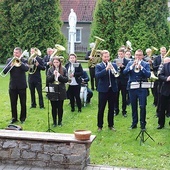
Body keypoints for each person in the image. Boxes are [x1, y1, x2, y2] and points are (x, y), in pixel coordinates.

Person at [123, 49, 151, 130]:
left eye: (139, 55)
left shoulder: (145, 64)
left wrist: (141, 68)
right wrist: (131, 67)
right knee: (133, 106)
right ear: (134, 55)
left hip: (142, 88)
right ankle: (134, 123)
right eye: (136, 55)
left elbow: (148, 74)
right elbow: (124, 72)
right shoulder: (130, 63)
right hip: (132, 88)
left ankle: (143, 125)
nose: (138, 57)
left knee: (142, 106)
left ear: (142, 56)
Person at [3, 47, 29, 124]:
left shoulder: (24, 60)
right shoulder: (9, 60)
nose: (15, 54)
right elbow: (4, 71)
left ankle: (23, 118)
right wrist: (10, 65)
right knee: (13, 103)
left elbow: (26, 69)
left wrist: (20, 62)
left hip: (22, 85)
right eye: (14, 52)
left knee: (23, 103)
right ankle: (14, 118)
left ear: (20, 53)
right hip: (13, 86)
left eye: (17, 53)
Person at [95, 50, 118, 131]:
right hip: (103, 90)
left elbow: (117, 75)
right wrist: (106, 69)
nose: (107, 58)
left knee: (111, 108)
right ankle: (100, 126)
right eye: (105, 57)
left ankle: (111, 125)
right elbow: (97, 75)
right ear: (102, 57)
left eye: (108, 56)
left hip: (112, 89)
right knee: (101, 108)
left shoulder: (114, 65)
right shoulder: (99, 66)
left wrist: (113, 70)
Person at [46, 57, 68, 127]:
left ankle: (60, 121)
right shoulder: (50, 69)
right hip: (53, 90)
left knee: (60, 107)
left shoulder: (63, 69)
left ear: (59, 63)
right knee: (53, 107)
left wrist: (59, 76)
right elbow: (48, 79)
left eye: (57, 62)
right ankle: (54, 121)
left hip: (61, 89)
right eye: (54, 62)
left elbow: (66, 79)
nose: (56, 64)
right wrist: (53, 75)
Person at [114, 48, 130, 117]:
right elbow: (113, 69)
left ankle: (124, 111)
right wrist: (117, 67)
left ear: (124, 54)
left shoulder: (127, 61)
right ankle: (116, 110)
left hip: (124, 80)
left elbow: (128, 70)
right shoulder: (115, 61)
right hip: (117, 80)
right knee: (116, 96)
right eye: (119, 54)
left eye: (121, 54)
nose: (120, 55)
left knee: (124, 97)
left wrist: (122, 67)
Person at [157, 57, 170, 129]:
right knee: (162, 108)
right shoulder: (165, 66)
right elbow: (160, 76)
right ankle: (161, 124)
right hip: (165, 90)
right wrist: (166, 78)